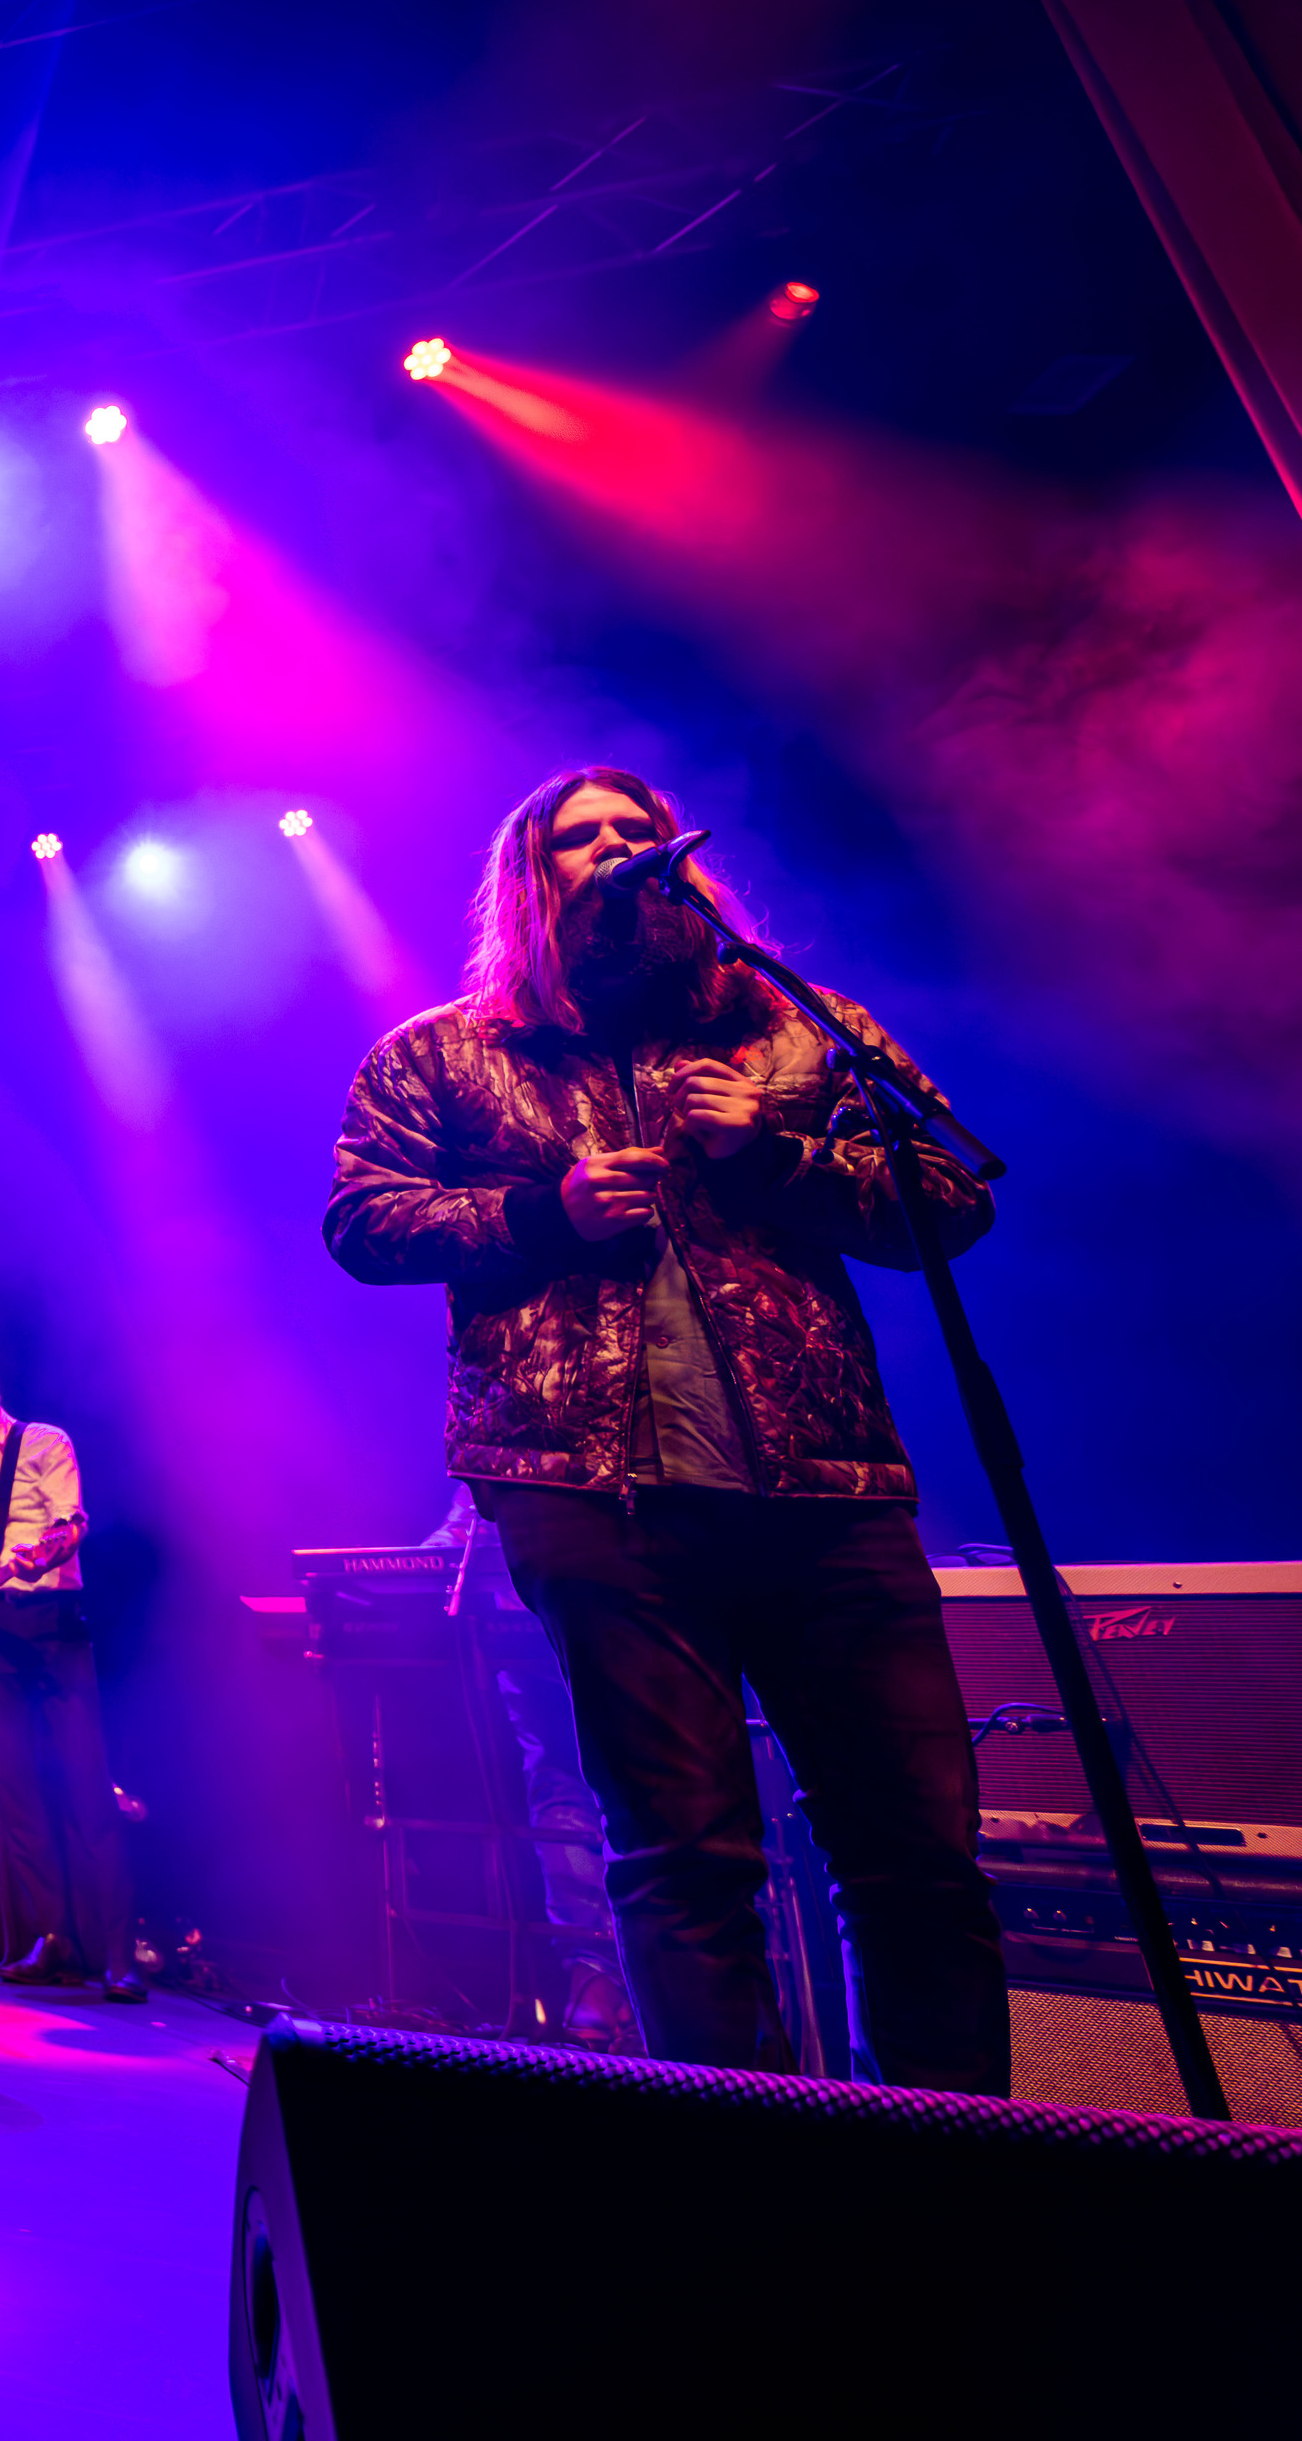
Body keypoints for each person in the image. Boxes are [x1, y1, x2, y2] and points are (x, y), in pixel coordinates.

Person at [324, 765, 1006, 2090]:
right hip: (595, 1501)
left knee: (916, 1856)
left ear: (682, 861)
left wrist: (775, 1154)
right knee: (684, 1859)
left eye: (636, 831)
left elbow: (950, 1198)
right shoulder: (445, 1052)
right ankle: (739, 2166)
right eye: (578, 839)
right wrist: (546, 1214)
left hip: (828, 1492)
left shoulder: (794, 1028)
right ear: (531, 882)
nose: (613, 851)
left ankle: (951, 2156)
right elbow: (362, 1220)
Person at [0, 1345, 137, 1998]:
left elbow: (71, 1524)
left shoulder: (45, 1442)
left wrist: (49, 1554)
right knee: (14, 1789)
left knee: (86, 1785)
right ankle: (52, 1938)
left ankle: (117, 1953)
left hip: (54, 1629)